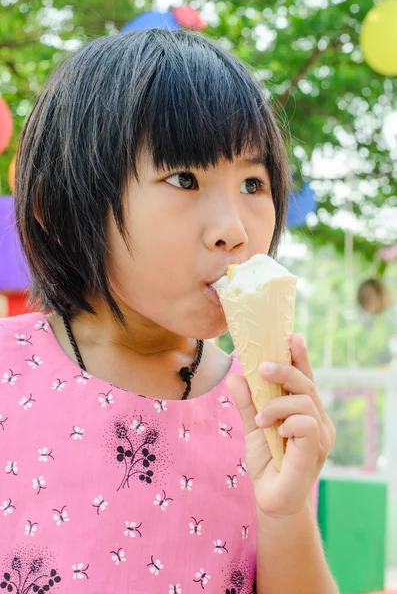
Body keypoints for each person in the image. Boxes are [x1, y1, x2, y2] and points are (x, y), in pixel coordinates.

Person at [0, 29, 338, 593]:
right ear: (58, 209)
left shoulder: (264, 413)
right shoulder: (9, 376)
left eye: (253, 182)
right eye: (185, 178)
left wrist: (288, 511)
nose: (235, 229)